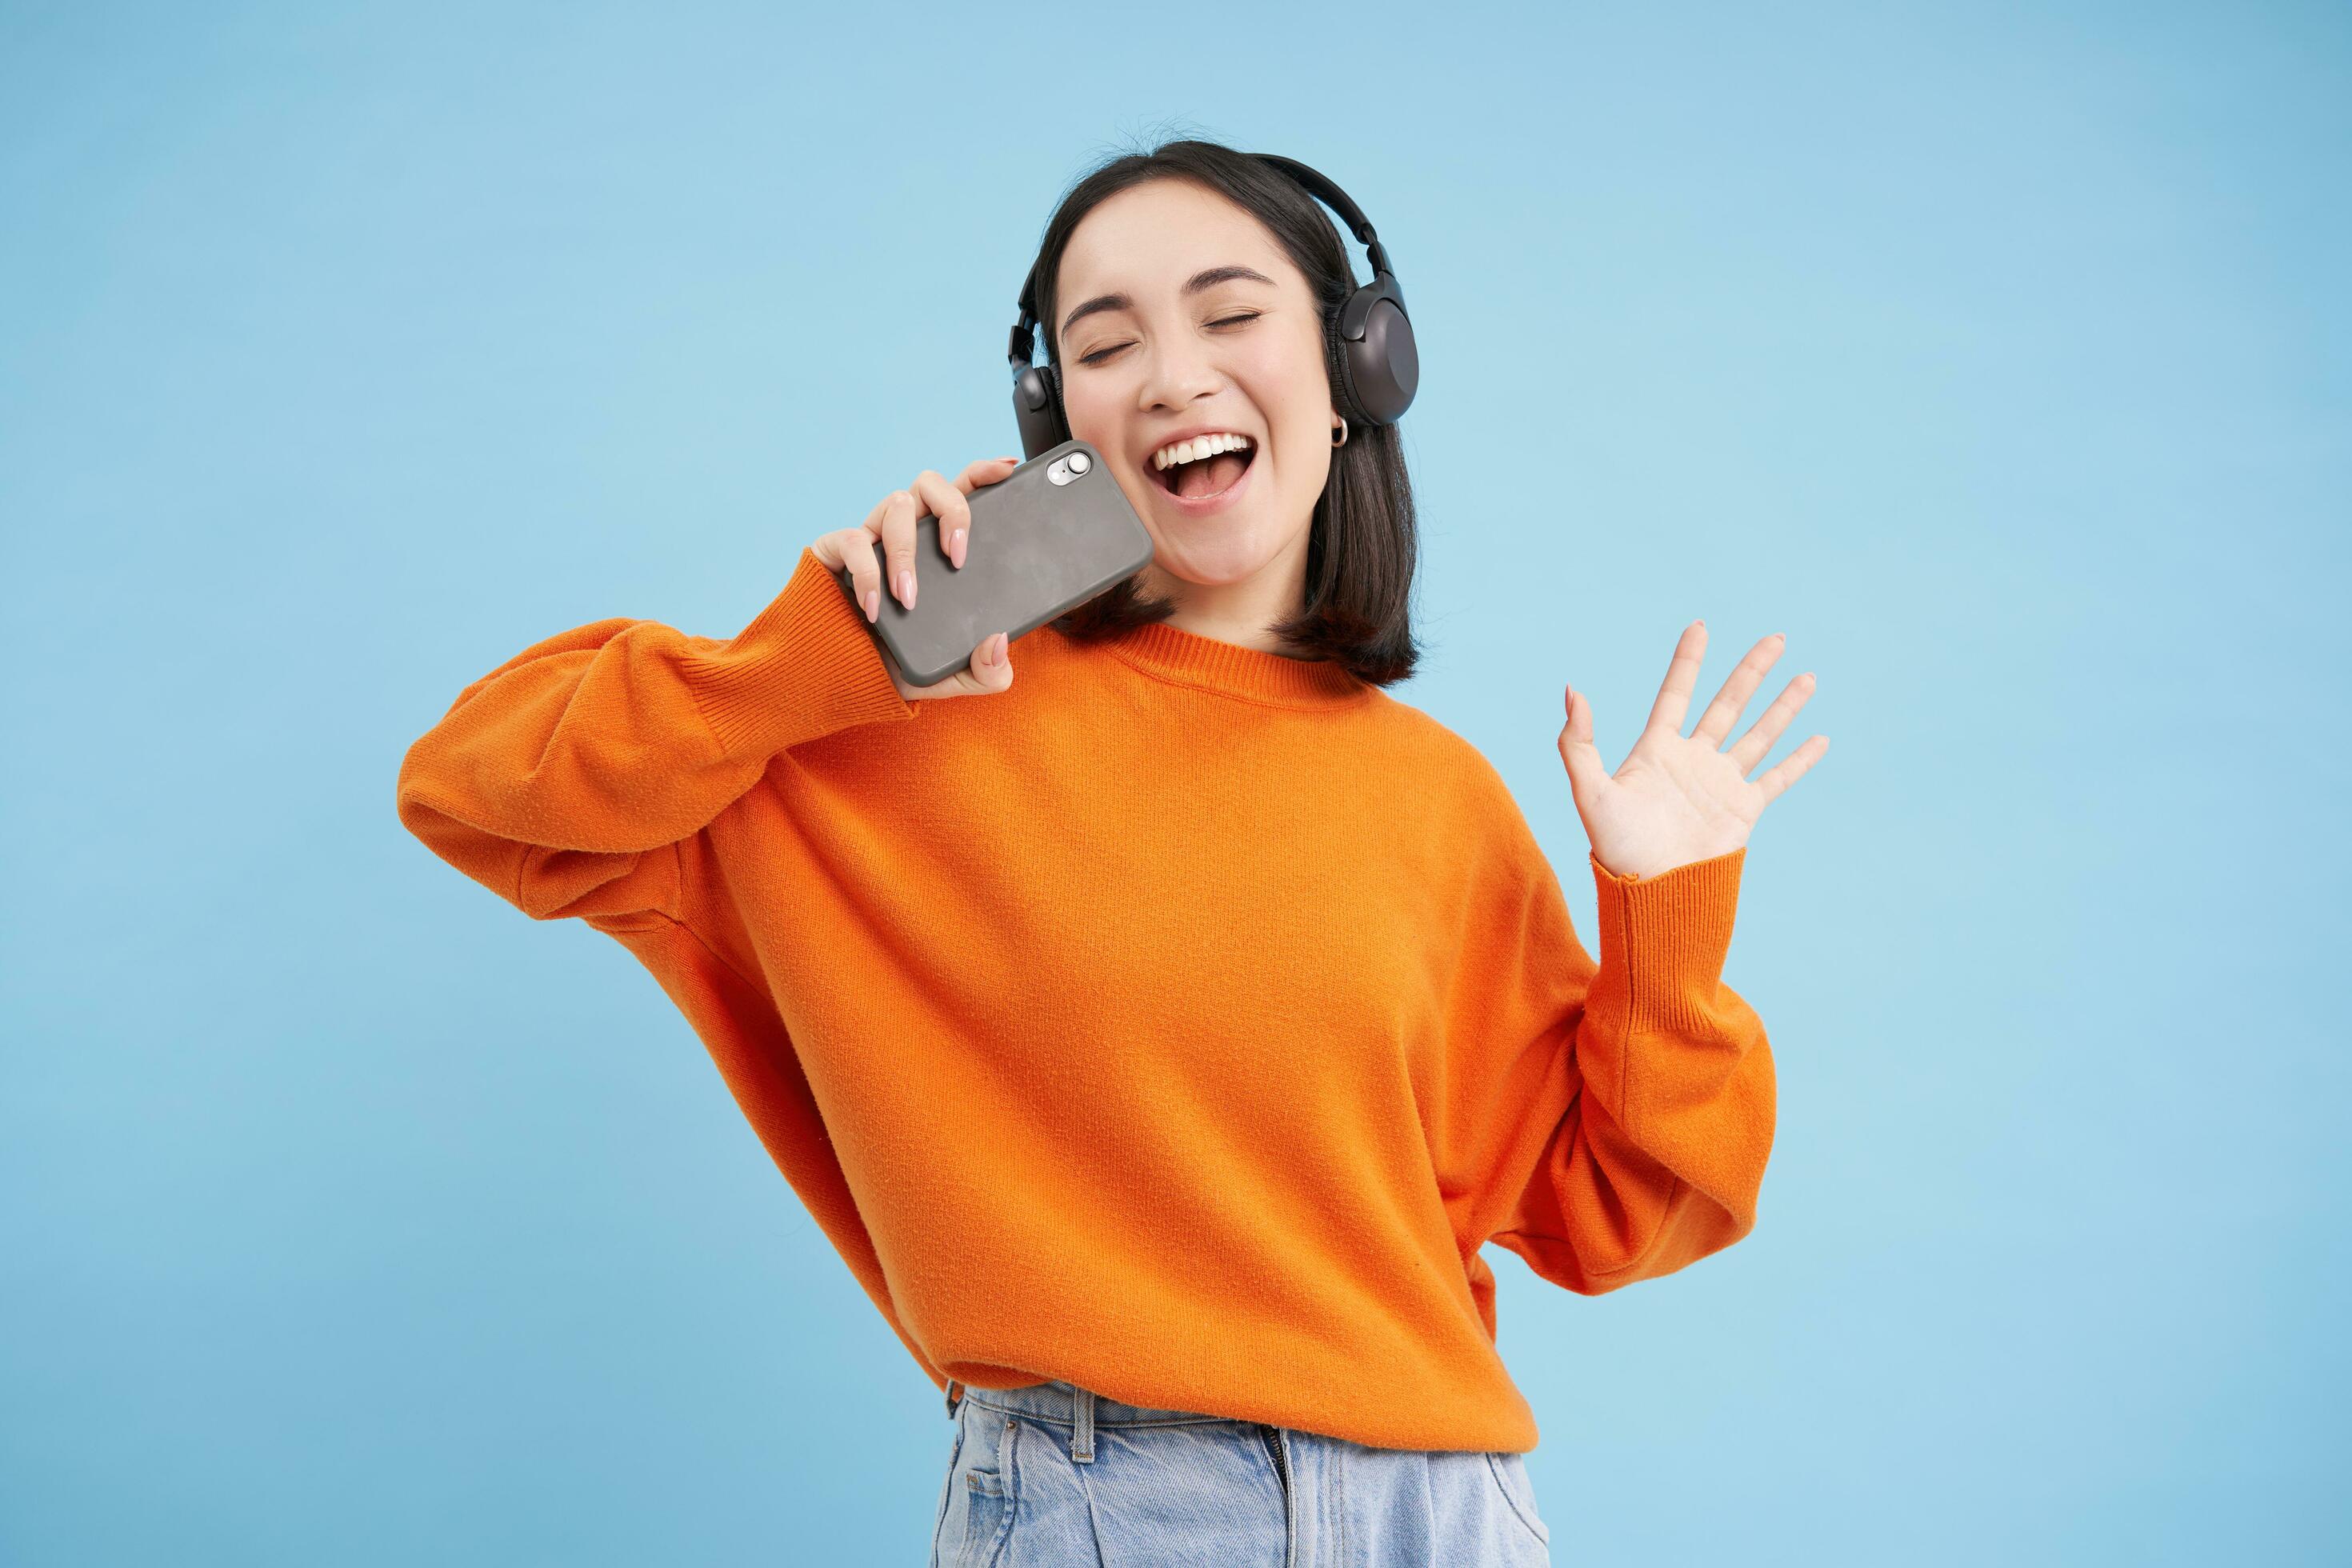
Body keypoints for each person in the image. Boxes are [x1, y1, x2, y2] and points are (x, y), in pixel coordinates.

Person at [395, 136, 1826, 1567]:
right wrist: (815, 657)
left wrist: (1664, 915)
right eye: (1106, 342)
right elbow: (475, 786)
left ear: (1354, 374)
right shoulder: (880, 727)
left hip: (1446, 1512)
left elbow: (1622, 1216)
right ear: (1055, 414)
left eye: (1228, 314)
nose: (1172, 375)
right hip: (1115, 1509)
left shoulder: (1436, 798)